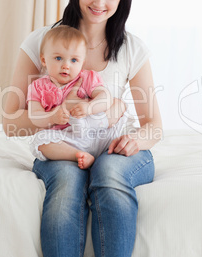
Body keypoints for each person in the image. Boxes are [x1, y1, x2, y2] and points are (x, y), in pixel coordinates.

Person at [3, 0, 162, 257]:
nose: (100, 2)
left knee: (108, 172)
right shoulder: (44, 41)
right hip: (62, 142)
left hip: (112, 144)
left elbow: (154, 126)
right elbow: (10, 123)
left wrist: (134, 140)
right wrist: (52, 116)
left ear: (122, 0)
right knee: (67, 182)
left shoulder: (131, 48)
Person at [27, 24, 127, 169]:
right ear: (44, 60)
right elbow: (34, 115)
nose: (66, 65)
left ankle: (93, 134)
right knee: (40, 141)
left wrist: (89, 107)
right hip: (68, 139)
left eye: (73, 60)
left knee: (117, 103)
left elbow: (105, 97)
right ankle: (78, 155)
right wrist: (52, 117)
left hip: (96, 131)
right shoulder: (38, 87)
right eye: (58, 58)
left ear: (82, 63)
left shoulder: (86, 78)